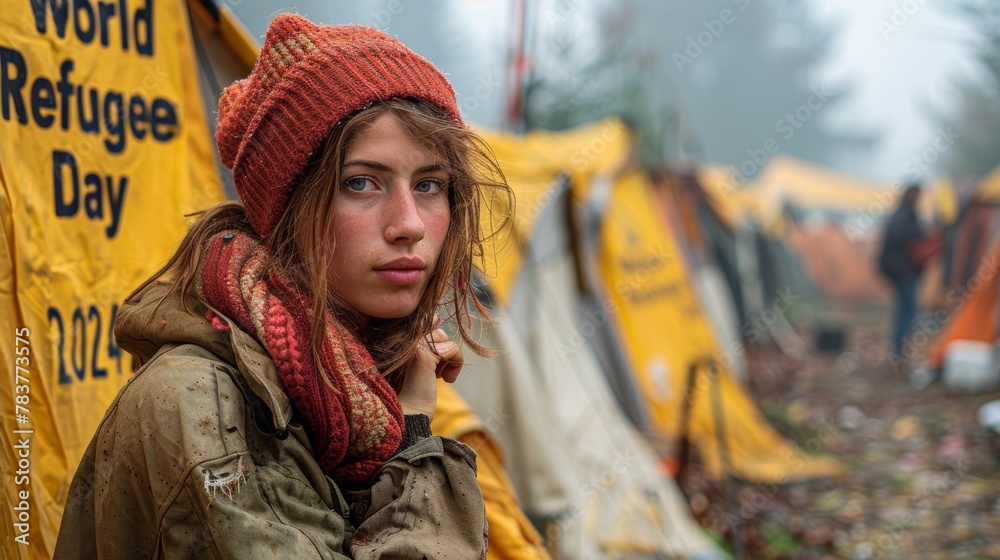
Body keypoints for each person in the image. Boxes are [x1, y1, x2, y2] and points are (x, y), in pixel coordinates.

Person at [54, 14, 511, 559]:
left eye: (429, 185)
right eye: (360, 183)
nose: (409, 224)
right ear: (288, 210)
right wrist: (415, 437)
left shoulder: (359, 379)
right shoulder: (206, 404)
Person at [877, 183, 926, 359]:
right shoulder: (906, 216)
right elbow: (901, 236)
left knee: (903, 310)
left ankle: (898, 351)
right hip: (903, 271)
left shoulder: (902, 213)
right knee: (908, 311)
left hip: (899, 270)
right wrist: (920, 235)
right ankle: (899, 352)